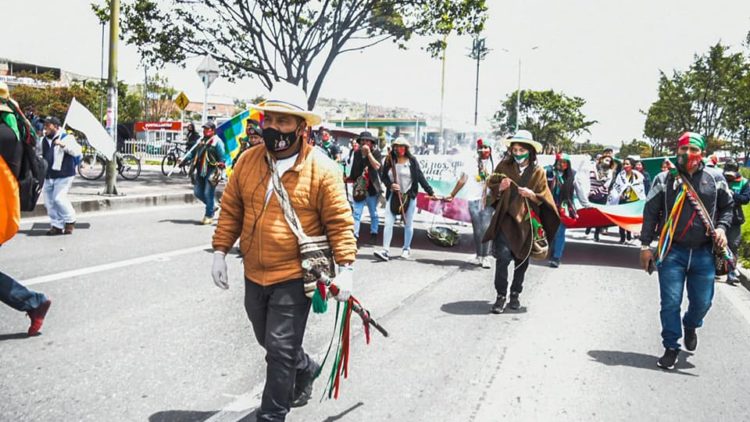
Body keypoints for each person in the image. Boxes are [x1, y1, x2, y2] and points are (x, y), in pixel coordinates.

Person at [211, 83, 355, 421]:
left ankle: (272, 414)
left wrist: (347, 267)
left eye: (284, 121)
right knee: (270, 341)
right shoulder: (247, 161)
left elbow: (339, 222)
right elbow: (231, 209)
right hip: (254, 272)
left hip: (294, 276)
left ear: (302, 127)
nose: (274, 127)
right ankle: (303, 368)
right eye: (270, 119)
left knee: (278, 349)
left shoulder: (323, 169)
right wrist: (220, 251)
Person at [640, 132, 733, 370]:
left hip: (704, 253)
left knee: (702, 302)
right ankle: (671, 346)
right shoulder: (663, 178)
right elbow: (650, 213)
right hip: (672, 252)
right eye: (683, 149)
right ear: (676, 150)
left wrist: (722, 229)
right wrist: (646, 246)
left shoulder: (715, 177)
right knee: (670, 302)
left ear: (701, 151)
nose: (688, 154)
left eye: (693, 149)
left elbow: (727, 207)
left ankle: (691, 324)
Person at [483, 130, 559, 313]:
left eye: (521, 150)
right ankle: (501, 295)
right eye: (514, 149)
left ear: (530, 151)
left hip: (526, 223)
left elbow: (545, 197)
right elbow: (492, 184)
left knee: (521, 261)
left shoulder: (538, 172)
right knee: (502, 258)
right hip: (505, 220)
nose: (517, 153)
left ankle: (515, 293)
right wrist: (500, 188)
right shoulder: (504, 165)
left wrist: (532, 195)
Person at [0, 85, 52, 335]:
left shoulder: (3, 132)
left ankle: (33, 302)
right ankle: (33, 302)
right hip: (7, 205)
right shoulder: (12, 127)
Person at [374, 137, 436, 261]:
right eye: (398, 146)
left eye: (403, 146)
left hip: (409, 196)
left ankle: (406, 248)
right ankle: (385, 250)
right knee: (388, 223)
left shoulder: (412, 161)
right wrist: (390, 185)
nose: (400, 149)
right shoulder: (389, 160)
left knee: (408, 224)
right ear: (394, 148)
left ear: (406, 148)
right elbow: (384, 176)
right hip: (393, 195)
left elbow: (420, 177)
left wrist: (430, 191)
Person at [444, 138, 495, 269]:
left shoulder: (496, 162)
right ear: (478, 149)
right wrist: (452, 194)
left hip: (488, 200)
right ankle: (479, 256)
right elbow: (463, 179)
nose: (484, 150)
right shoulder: (471, 163)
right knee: (477, 230)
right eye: (481, 148)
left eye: (486, 147)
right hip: (473, 200)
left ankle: (486, 256)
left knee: (486, 228)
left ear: (490, 149)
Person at [547, 153, 591, 268]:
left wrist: (586, 204)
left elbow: (580, 191)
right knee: (549, 231)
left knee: (560, 232)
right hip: (548, 206)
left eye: (564, 162)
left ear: (568, 164)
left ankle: (556, 257)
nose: (561, 164)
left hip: (564, 207)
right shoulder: (549, 172)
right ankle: (549, 251)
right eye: (559, 161)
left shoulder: (574, 175)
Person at [41, 116, 82, 235]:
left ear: (56, 126)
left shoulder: (67, 137)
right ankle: (57, 225)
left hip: (64, 174)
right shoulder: (43, 140)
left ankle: (70, 220)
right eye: (45, 125)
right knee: (49, 202)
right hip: (49, 175)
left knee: (59, 198)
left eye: (48, 125)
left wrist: (63, 145)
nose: (46, 128)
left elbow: (77, 151)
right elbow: (39, 153)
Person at [181, 122, 226, 225]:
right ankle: (212, 206)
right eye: (204, 129)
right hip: (200, 170)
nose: (205, 130)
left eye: (207, 129)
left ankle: (208, 215)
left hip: (212, 170)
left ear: (213, 130)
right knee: (197, 192)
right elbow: (192, 153)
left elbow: (222, 157)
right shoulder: (200, 141)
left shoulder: (217, 142)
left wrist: (221, 164)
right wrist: (184, 159)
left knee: (208, 193)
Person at [349, 131, 382, 244]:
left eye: (367, 140)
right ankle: (355, 235)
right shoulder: (357, 153)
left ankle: (374, 233)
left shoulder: (376, 152)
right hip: (360, 188)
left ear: (371, 143)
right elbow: (354, 170)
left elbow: (377, 166)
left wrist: (368, 154)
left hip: (372, 188)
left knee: (373, 213)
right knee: (357, 213)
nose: (364, 142)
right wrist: (350, 178)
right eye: (362, 140)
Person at [722, 159, 750, 285]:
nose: (729, 177)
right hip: (719, 217)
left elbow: (745, 199)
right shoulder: (720, 178)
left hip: (734, 219)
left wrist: (732, 195)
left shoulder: (744, 182)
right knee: (713, 245)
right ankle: (713, 270)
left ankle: (731, 274)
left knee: (733, 245)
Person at [608, 157, 646, 244]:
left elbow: (640, 188)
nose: (625, 165)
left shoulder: (638, 175)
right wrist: (619, 194)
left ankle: (629, 232)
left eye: (627, 164)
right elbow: (616, 186)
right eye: (624, 164)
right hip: (623, 200)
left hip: (634, 201)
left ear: (632, 165)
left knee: (630, 219)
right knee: (621, 219)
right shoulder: (620, 175)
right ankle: (622, 237)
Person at [587, 154, 616, 241]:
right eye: (606, 160)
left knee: (598, 215)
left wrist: (594, 192)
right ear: (601, 160)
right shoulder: (592, 168)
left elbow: (606, 185)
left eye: (609, 161)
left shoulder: (610, 172)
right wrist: (589, 191)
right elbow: (587, 179)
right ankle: (588, 226)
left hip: (601, 195)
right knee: (590, 213)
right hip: (590, 194)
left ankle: (596, 234)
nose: (608, 162)